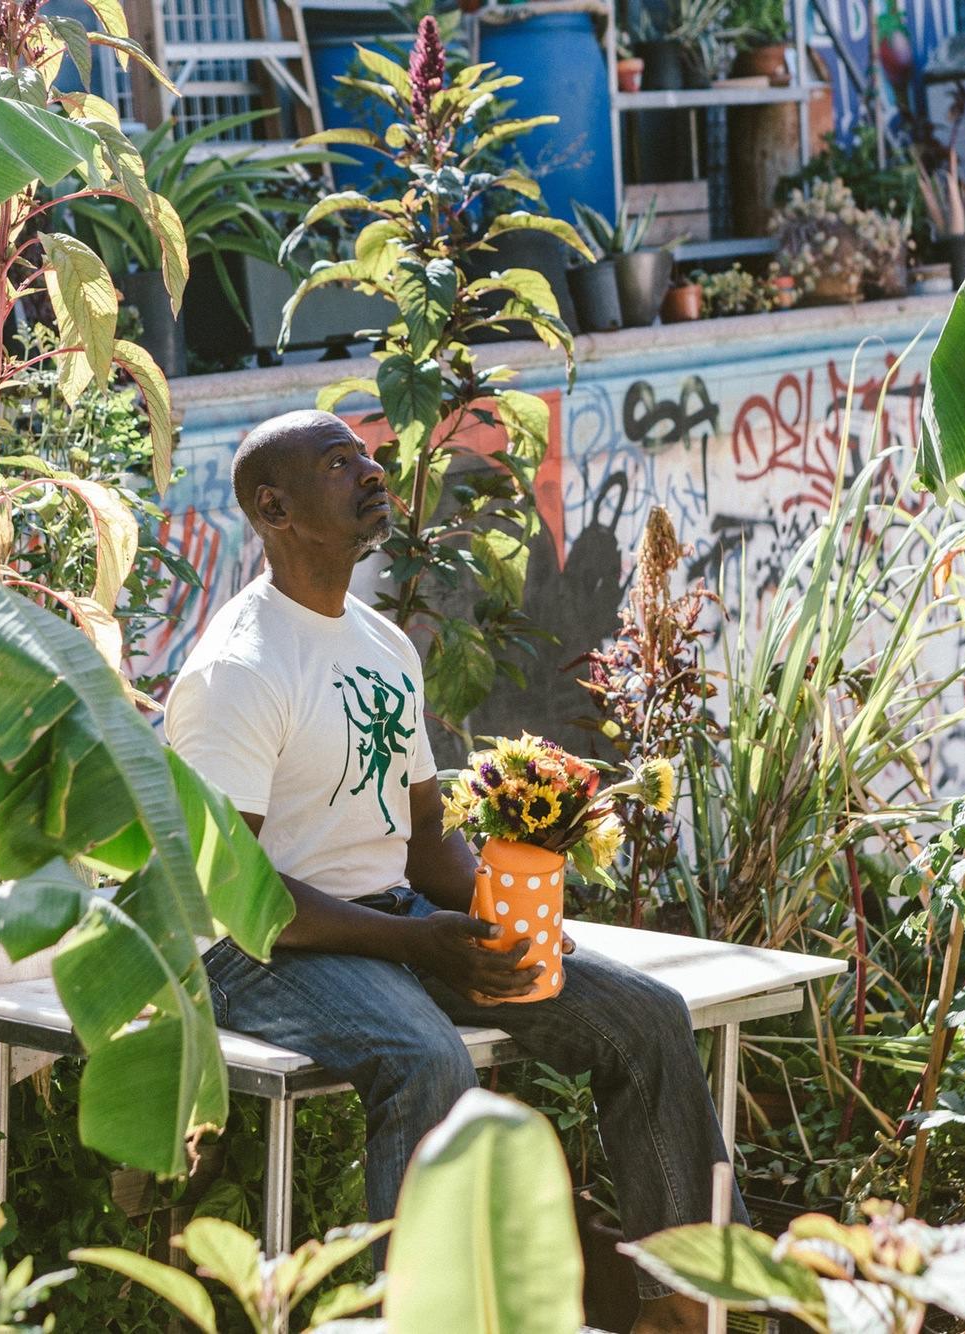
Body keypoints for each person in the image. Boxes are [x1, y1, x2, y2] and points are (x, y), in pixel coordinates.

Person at [164, 409, 744, 1334]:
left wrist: (502, 914)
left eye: (364, 454)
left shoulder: (382, 645)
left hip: (385, 921)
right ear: (273, 508)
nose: (370, 470)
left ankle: (684, 1310)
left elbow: (427, 842)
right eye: (337, 462)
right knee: (424, 1060)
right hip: (255, 947)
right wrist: (420, 944)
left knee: (644, 1016)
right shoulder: (239, 667)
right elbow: (232, 891)